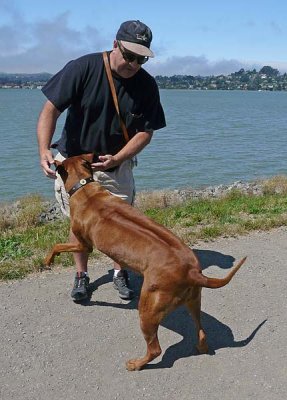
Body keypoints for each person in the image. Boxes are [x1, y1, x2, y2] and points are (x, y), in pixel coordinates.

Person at [37, 20, 166, 302]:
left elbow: (146, 132)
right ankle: (82, 275)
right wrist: (44, 150)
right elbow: (50, 109)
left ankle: (120, 272)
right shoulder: (83, 68)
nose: (133, 64)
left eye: (141, 59)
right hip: (73, 163)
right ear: (115, 45)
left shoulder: (146, 85)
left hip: (115, 166)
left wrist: (117, 158)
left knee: (119, 225)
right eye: (129, 55)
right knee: (78, 225)